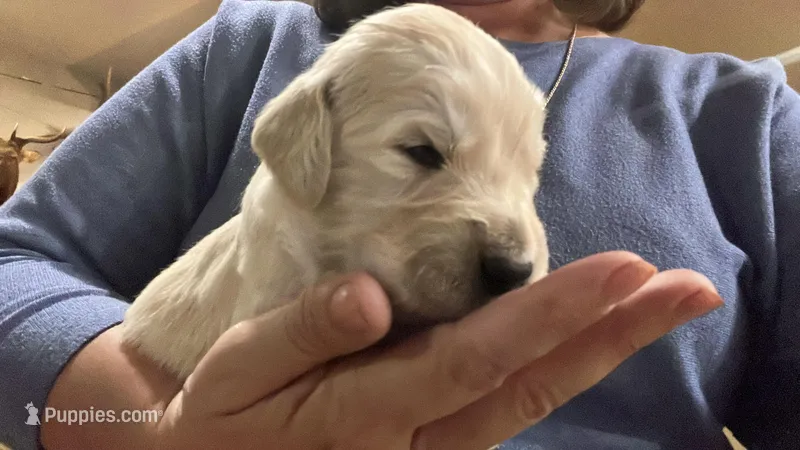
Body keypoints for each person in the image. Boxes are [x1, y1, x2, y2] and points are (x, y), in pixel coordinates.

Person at [0, 0, 796, 448]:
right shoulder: (255, 44)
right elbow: (14, 264)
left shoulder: (747, 116)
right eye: (421, 151)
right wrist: (154, 433)